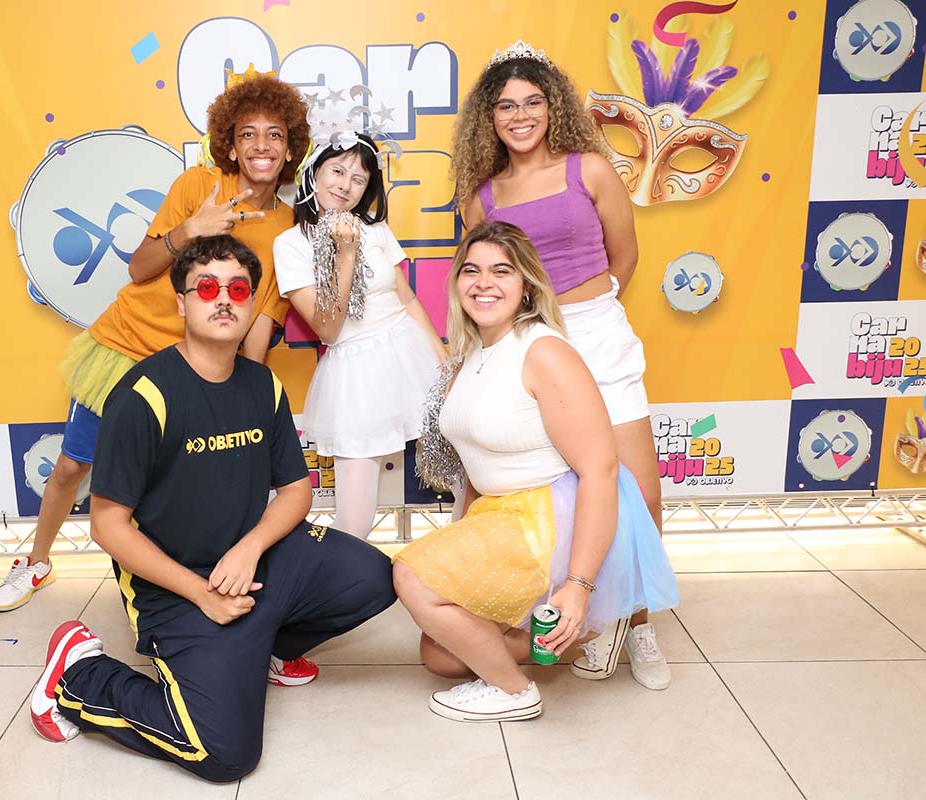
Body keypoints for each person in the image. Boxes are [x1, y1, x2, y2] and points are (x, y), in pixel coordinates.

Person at [0, 73, 318, 682]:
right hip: (125, 350)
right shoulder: (197, 186)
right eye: (248, 133)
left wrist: (242, 395)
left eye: (275, 134)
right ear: (230, 143)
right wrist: (192, 230)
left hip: (199, 375)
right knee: (73, 467)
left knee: (197, 498)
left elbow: (260, 322)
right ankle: (35, 561)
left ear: (291, 146)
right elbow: (140, 268)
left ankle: (237, 616)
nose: (261, 145)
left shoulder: (289, 229)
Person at [29, 235, 396, 780]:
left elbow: (296, 491)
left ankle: (264, 647)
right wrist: (201, 592)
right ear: (182, 303)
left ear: (249, 305)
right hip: (176, 586)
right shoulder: (143, 395)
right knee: (225, 756)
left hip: (250, 562)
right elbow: (106, 525)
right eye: (206, 288)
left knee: (375, 576)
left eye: (237, 289)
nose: (223, 298)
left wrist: (250, 549)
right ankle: (78, 675)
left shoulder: (262, 385)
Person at [393, 222, 677, 722]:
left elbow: (600, 469)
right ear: (457, 282)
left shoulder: (544, 351)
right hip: (498, 513)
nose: (484, 282)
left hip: (547, 515)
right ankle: (585, 635)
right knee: (439, 655)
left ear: (526, 285)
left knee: (411, 576)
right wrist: (464, 536)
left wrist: (579, 585)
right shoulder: (470, 355)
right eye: (472, 270)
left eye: (501, 271)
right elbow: (475, 469)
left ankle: (514, 692)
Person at [452, 41, 671, 689]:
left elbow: (624, 257)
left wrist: (587, 313)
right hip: (531, 345)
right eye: (505, 105)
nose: (520, 115)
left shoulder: (590, 169)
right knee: (568, 493)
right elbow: (486, 281)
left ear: (553, 108)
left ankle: (640, 627)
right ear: (489, 118)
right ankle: (590, 622)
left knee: (640, 492)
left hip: (598, 333)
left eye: (532, 102)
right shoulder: (483, 195)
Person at [273, 132, 446, 538]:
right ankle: (338, 577)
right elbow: (328, 329)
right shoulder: (291, 244)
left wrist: (442, 361)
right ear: (314, 173)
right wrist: (347, 253)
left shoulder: (377, 229)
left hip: (410, 356)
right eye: (337, 171)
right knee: (355, 518)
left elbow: (407, 298)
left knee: (462, 473)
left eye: (358, 178)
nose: (344, 185)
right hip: (354, 374)